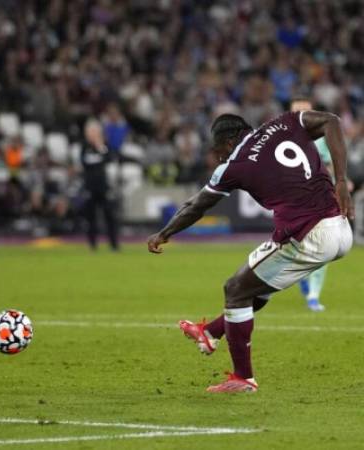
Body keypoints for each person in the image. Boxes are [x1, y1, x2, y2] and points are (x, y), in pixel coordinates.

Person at [147, 111, 353, 393]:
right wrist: (341, 180)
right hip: (340, 227)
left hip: (309, 233)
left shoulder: (235, 166)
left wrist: (164, 233)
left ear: (229, 141)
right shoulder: (285, 122)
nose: (219, 157)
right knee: (254, 288)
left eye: (219, 150)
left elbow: (197, 206)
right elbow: (332, 120)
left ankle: (243, 378)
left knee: (235, 290)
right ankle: (209, 333)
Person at [289, 98, 333, 311]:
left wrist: (341, 183)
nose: (301, 115)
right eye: (297, 111)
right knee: (295, 245)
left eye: (306, 111)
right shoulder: (282, 138)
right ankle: (301, 274)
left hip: (320, 198)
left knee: (325, 245)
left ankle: (314, 296)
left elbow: (329, 163)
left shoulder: (321, 138)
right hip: (294, 200)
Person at [80, 119, 119, 251]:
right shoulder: (84, 147)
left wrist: (100, 146)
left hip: (103, 186)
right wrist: (98, 158)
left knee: (110, 216)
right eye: (90, 132)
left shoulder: (104, 146)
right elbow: (85, 163)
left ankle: (114, 245)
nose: (93, 135)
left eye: (95, 132)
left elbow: (109, 158)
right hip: (90, 187)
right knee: (91, 218)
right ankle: (92, 245)